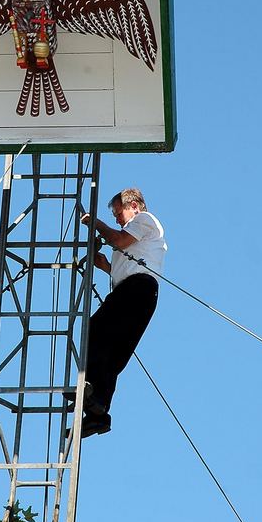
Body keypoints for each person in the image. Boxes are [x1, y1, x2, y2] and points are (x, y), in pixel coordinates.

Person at [77, 188, 167, 438]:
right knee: (113, 352)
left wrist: (96, 224)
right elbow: (116, 267)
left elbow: (118, 240)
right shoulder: (136, 237)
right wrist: (99, 257)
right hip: (134, 290)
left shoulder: (143, 220)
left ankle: (92, 391)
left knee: (95, 332)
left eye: (119, 213)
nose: (118, 219)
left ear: (135, 206)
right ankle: (98, 412)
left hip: (136, 288)